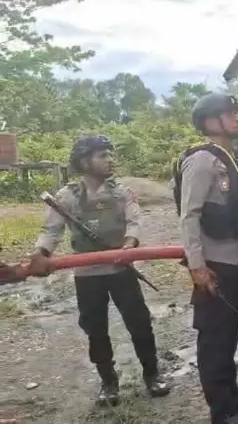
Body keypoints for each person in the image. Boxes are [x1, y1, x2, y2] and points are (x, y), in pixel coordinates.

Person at [28, 135, 171, 406]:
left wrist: (129, 246)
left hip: (121, 271)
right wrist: (40, 253)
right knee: (95, 329)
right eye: (102, 155)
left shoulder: (122, 192)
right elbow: (52, 230)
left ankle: (152, 375)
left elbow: (134, 221)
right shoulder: (67, 196)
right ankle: (108, 383)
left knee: (139, 323)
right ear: (85, 161)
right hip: (87, 275)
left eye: (110, 154)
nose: (110, 159)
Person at [175, 93, 238, 424]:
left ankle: (232, 398)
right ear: (212, 121)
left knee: (228, 334)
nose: (237, 118)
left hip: (233, 260)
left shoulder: (227, 158)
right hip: (213, 265)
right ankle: (222, 413)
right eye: (230, 113)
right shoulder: (201, 161)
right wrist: (197, 267)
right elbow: (189, 216)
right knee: (214, 339)